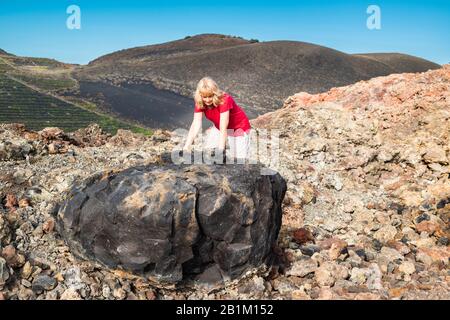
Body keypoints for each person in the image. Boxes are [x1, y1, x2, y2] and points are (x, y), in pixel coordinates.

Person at [183, 76, 252, 161]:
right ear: (200, 95)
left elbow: (224, 127)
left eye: (210, 96)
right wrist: (186, 146)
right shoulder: (200, 101)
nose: (207, 100)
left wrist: (221, 150)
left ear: (215, 93)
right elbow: (196, 123)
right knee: (208, 152)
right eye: (204, 97)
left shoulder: (224, 100)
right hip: (218, 127)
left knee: (240, 160)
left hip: (239, 128)